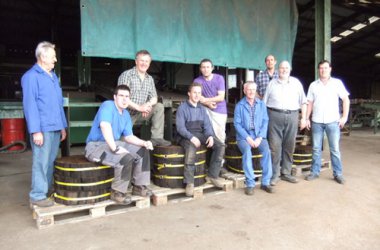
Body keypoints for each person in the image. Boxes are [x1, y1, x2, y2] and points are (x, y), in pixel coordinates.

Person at [85, 85, 154, 205]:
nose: (124, 99)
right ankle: (117, 192)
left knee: (142, 152)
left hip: (114, 143)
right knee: (125, 158)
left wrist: (144, 143)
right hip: (96, 146)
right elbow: (104, 126)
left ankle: (139, 187)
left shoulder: (126, 114)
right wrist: (115, 148)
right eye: (121, 96)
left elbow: (128, 137)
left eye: (127, 96)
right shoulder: (108, 105)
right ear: (115, 97)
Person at [22, 41, 67, 207]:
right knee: (41, 161)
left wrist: (62, 126)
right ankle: (37, 195)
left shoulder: (53, 76)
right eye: (53, 57)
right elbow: (30, 105)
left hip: (55, 127)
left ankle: (46, 190)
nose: (55, 60)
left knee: (50, 161)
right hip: (43, 128)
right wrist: (35, 131)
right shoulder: (30, 77)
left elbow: (58, 103)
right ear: (43, 57)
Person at [176, 83, 225, 197]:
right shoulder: (182, 108)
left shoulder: (203, 109)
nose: (197, 95)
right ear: (189, 94)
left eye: (199, 93)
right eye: (194, 92)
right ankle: (189, 183)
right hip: (184, 136)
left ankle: (212, 175)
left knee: (220, 146)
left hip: (199, 134)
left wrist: (210, 136)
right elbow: (180, 128)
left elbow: (207, 126)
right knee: (191, 149)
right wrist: (191, 137)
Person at [305, 60, 350, 184]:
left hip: (333, 121)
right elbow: (310, 103)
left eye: (325, 68)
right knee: (315, 148)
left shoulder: (337, 83)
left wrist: (344, 117)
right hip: (317, 121)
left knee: (334, 149)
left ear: (330, 69)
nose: (323, 70)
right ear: (318, 70)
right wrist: (306, 118)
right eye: (321, 68)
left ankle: (338, 174)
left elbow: (346, 99)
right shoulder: (313, 85)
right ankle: (315, 172)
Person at [263, 61, 307, 185]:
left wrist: (303, 118)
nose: (284, 70)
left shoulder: (296, 83)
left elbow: (304, 101)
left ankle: (286, 173)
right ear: (278, 69)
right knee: (274, 147)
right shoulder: (272, 84)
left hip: (293, 115)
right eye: (282, 68)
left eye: (286, 68)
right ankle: (275, 174)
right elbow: (264, 103)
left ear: (290, 69)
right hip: (274, 115)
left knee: (289, 145)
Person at [117, 50, 171, 147]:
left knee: (158, 106)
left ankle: (157, 138)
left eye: (146, 61)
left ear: (149, 63)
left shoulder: (149, 79)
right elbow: (122, 99)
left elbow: (154, 97)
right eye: (142, 60)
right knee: (121, 143)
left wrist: (148, 105)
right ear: (136, 61)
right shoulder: (127, 75)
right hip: (126, 113)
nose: (144, 63)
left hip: (141, 113)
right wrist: (139, 107)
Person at [234, 81, 273, 195]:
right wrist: (248, 138)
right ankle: (250, 183)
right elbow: (237, 124)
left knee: (266, 151)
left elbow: (265, 121)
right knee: (247, 151)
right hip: (244, 137)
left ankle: (265, 182)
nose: (251, 92)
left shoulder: (261, 105)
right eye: (248, 89)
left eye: (253, 90)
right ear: (244, 91)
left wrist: (259, 138)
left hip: (259, 136)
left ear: (256, 91)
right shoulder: (239, 106)